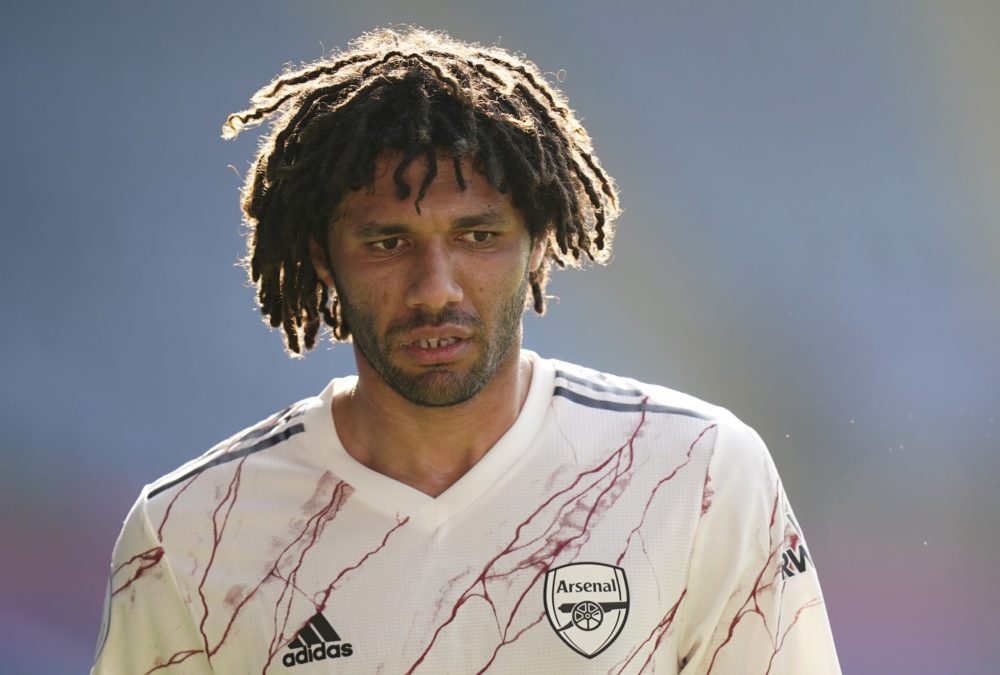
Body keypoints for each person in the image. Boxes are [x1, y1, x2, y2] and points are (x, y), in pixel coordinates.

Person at [92, 27, 841, 674]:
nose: (435, 288)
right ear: (324, 258)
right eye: (388, 242)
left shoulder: (699, 472)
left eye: (478, 237)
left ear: (538, 243)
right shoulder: (187, 532)